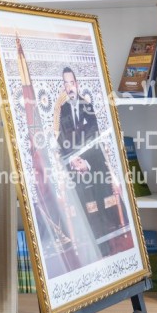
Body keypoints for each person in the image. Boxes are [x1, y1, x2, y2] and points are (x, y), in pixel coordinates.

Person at [57, 67, 131, 257]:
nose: (69, 87)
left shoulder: (87, 106)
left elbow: (94, 136)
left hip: (91, 160)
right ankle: (87, 242)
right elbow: (62, 141)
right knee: (76, 188)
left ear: (77, 84)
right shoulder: (63, 110)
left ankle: (105, 241)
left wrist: (85, 162)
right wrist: (73, 160)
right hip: (74, 163)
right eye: (66, 83)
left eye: (71, 83)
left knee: (98, 179)